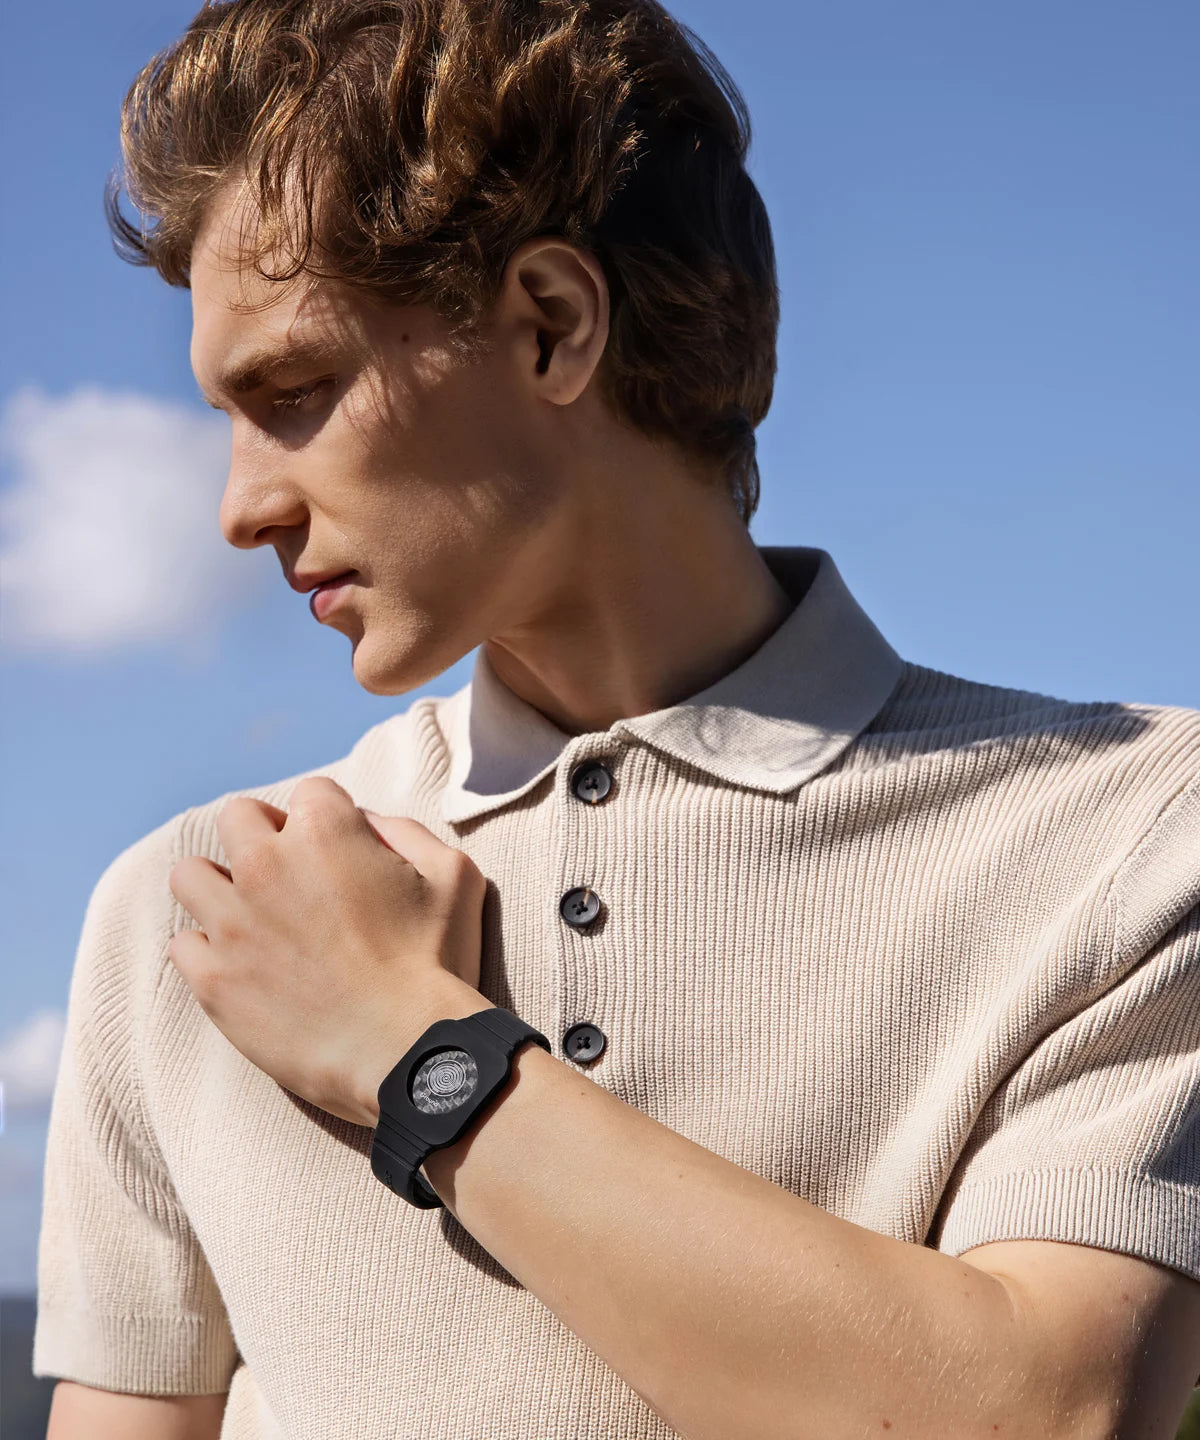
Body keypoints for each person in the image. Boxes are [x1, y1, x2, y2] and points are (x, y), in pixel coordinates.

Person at [34, 2, 1200, 1437]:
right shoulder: (200, 904)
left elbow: (1052, 1415)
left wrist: (408, 1043)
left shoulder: (1138, 832)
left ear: (552, 326)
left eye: (294, 391)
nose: (240, 506)